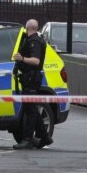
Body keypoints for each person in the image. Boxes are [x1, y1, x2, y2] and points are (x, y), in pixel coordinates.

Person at [12, 19, 51, 150]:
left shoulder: (34, 42)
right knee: (32, 109)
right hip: (29, 79)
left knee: (30, 111)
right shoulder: (30, 40)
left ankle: (28, 139)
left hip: (31, 80)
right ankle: (45, 137)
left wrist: (22, 59)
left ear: (27, 27)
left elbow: (35, 61)